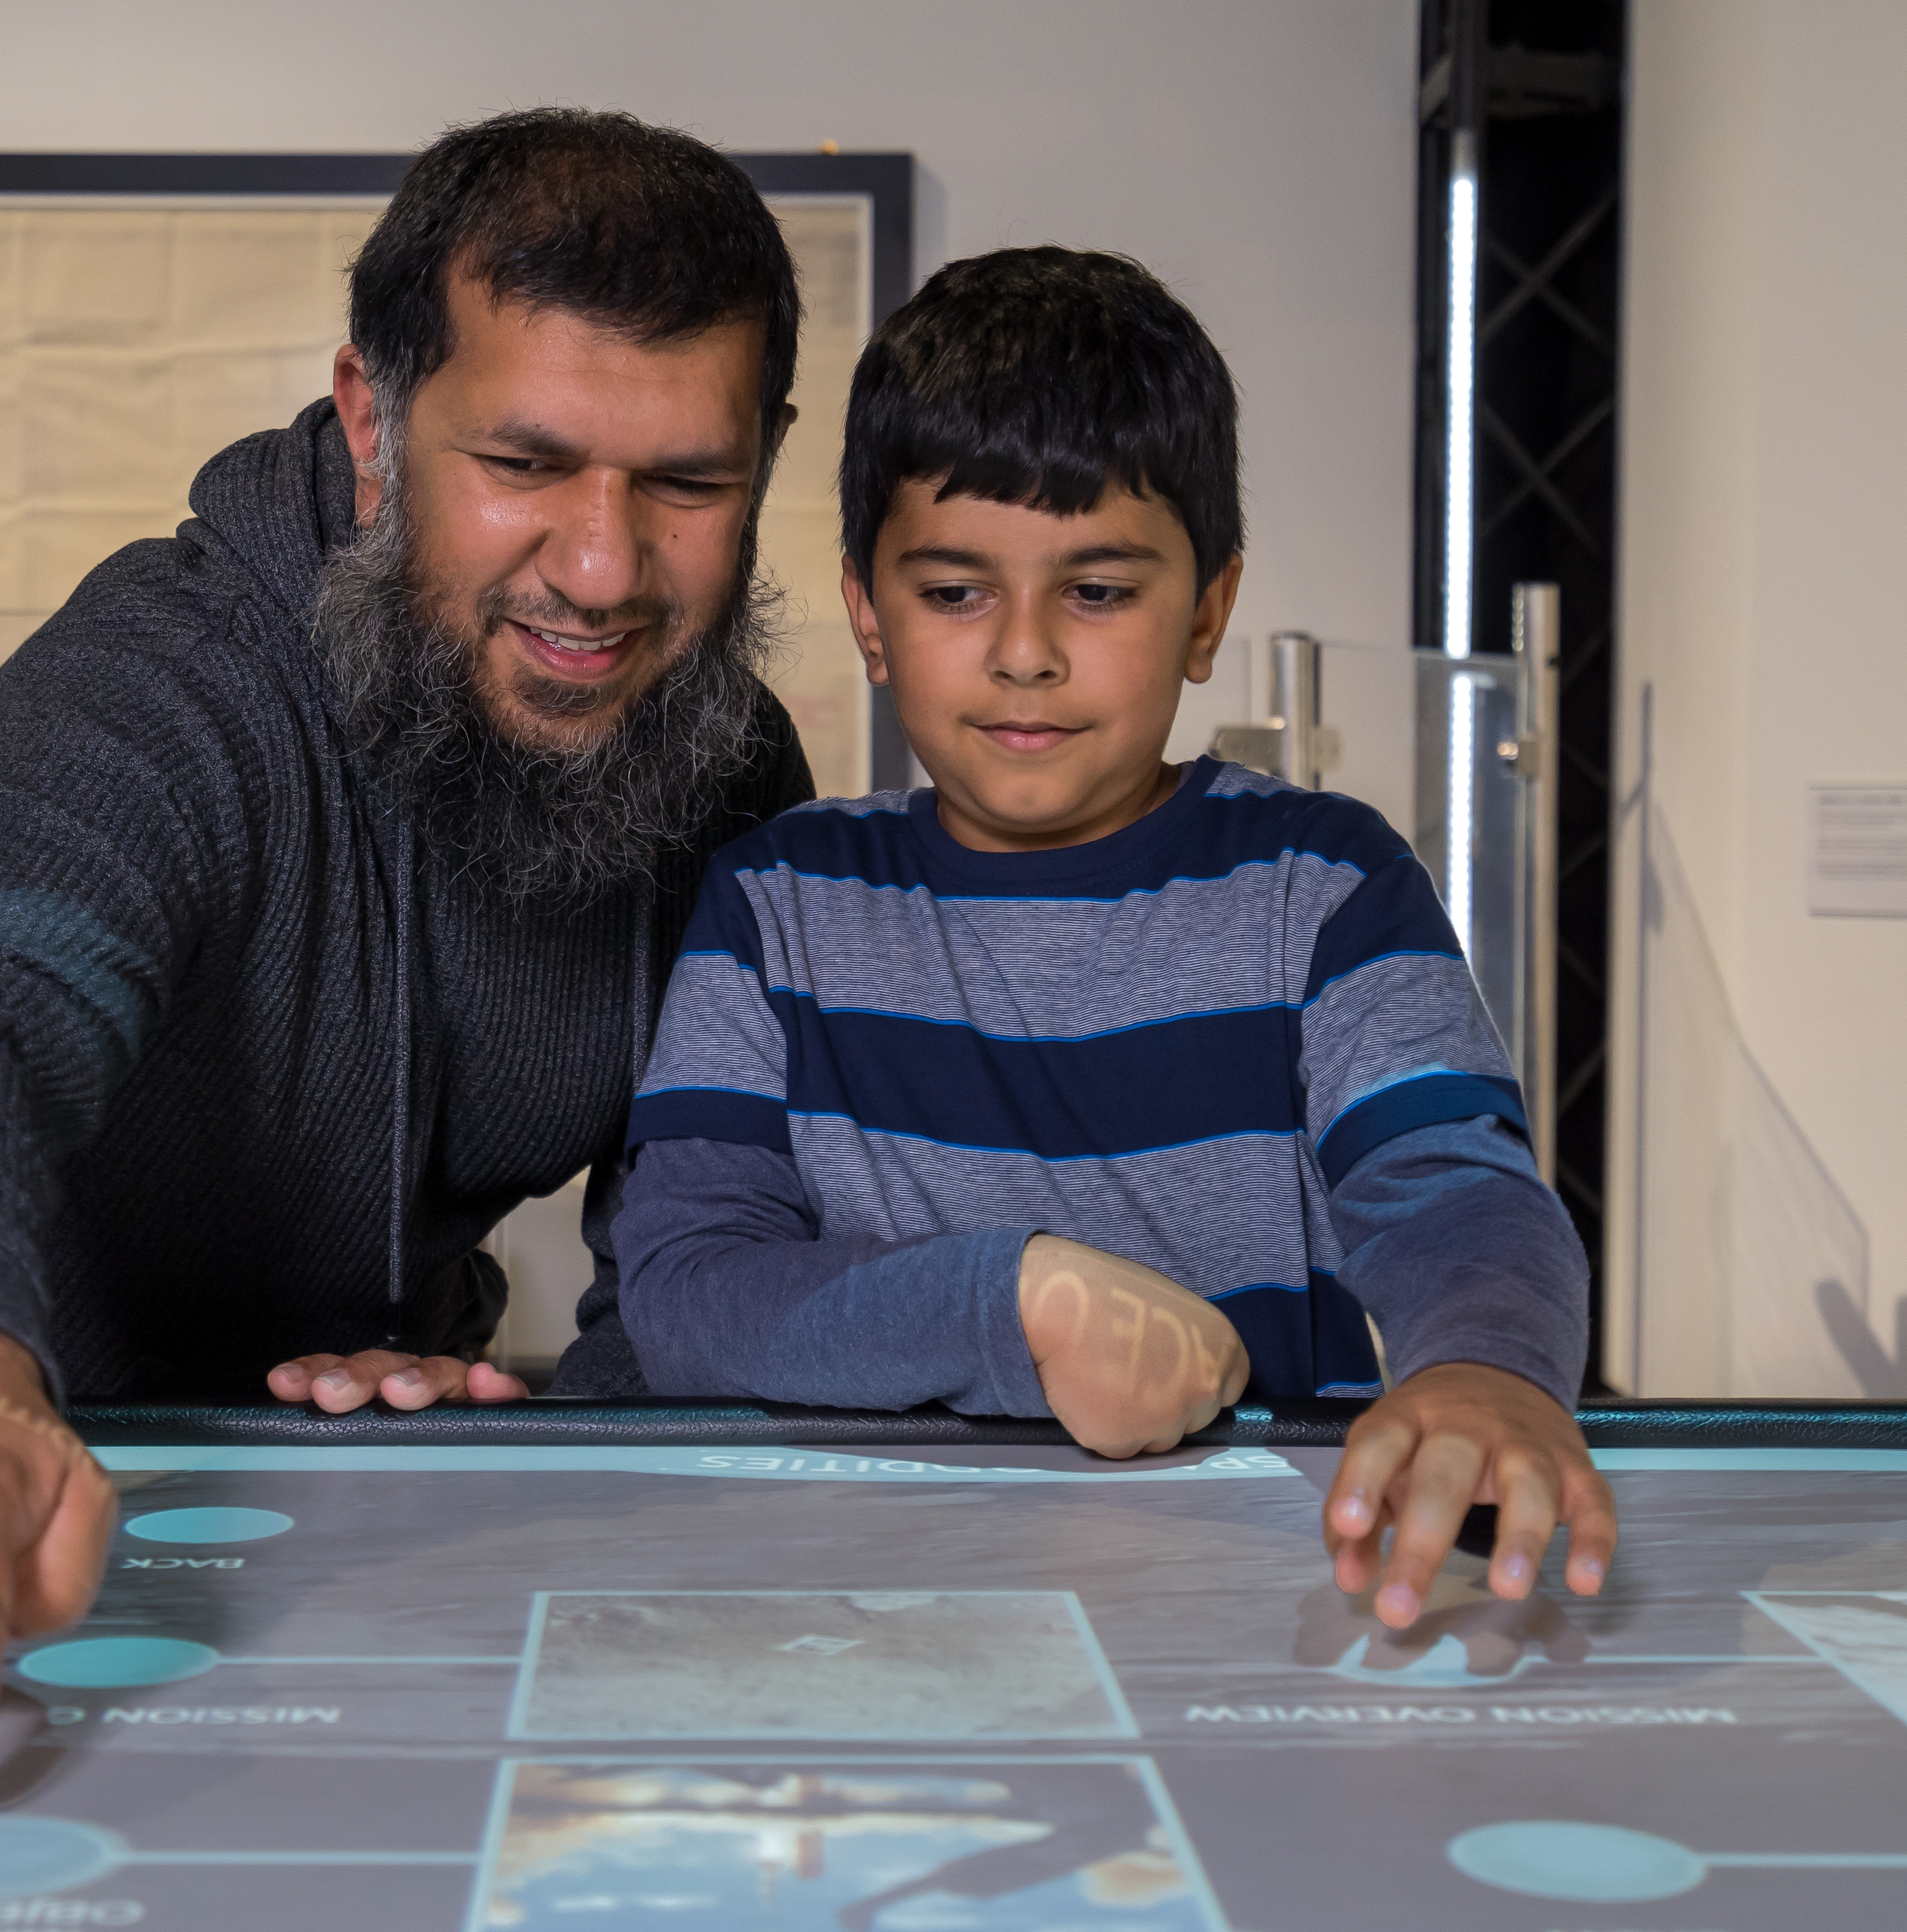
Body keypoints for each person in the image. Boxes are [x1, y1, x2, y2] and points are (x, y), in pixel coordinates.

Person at [0, 111, 816, 1780]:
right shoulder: (161, 678)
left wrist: (560, 1451)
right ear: (374, 421)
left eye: (687, 483)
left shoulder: (726, 760)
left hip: (335, 1443)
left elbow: (694, 1239)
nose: (602, 570)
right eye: (523, 466)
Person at [612, 246, 1615, 1626]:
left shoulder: (1324, 885)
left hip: (1262, 1596)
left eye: (1097, 591)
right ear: (868, 617)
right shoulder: (772, 905)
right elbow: (688, 1290)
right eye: (954, 592)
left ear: (1207, 611)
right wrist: (1007, 1305)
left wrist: (1487, 1367)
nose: (1025, 652)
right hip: (869, 1601)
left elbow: (1453, 1191)